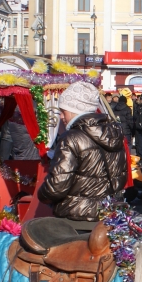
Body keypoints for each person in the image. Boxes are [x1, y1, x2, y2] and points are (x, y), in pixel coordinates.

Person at [38, 83, 128, 223]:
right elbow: (121, 177)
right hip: (108, 213)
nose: (61, 116)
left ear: (75, 109)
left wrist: (42, 195)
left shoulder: (71, 138)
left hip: (76, 215)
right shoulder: (114, 133)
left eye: (63, 111)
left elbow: (57, 185)